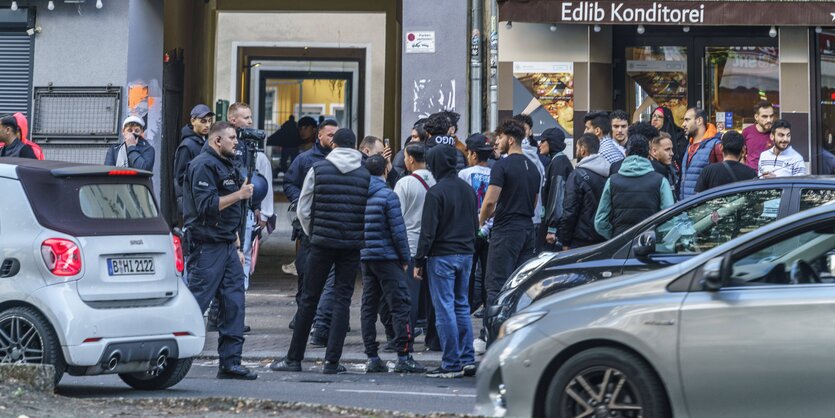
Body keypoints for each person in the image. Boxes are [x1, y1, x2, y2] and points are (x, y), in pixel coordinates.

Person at [270, 128, 370, 375]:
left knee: (309, 299)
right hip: (350, 245)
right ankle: (332, 362)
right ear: (355, 146)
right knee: (342, 300)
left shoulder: (318, 169)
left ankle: (294, 358)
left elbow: (303, 207)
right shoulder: (364, 172)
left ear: (334, 145)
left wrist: (312, 232)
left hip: (321, 242)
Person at [182, 121, 257, 380]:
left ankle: (231, 362)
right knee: (196, 304)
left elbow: (232, 214)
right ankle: (172, 359)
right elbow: (207, 206)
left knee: (234, 303)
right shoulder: (202, 165)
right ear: (217, 141)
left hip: (226, 245)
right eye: (232, 138)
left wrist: (236, 245)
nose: (236, 142)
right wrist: (239, 194)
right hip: (206, 247)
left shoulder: (227, 164)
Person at [414, 145, 478, 378]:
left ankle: (450, 361)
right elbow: (475, 224)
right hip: (466, 254)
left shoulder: (436, 192)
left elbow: (428, 232)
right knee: (462, 306)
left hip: (442, 255)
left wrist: (419, 259)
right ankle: (467, 358)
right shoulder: (468, 190)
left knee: (444, 308)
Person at [360, 154, 426, 374]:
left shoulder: (360, 195)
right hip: (388, 258)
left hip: (367, 256)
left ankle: (372, 356)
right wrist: (405, 258)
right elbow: (398, 231)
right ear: (386, 171)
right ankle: (404, 355)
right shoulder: (388, 196)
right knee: (400, 305)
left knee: (369, 306)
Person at [479, 119, 541, 343]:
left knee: (496, 285)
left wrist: (481, 221)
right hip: (527, 229)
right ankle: (516, 337)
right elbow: (534, 204)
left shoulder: (502, 166)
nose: (497, 142)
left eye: (500, 138)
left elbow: (489, 202)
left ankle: (492, 338)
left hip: (506, 231)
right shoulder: (533, 168)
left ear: (511, 139)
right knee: (519, 286)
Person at [282, 119, 338, 338]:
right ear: (320, 136)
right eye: (330, 135)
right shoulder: (304, 160)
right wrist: (301, 201)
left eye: (336, 135)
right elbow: (289, 183)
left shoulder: (343, 160)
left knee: (331, 275)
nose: (333, 139)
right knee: (306, 271)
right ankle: (303, 314)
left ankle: (326, 316)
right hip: (307, 227)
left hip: (332, 225)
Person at [393, 143, 436, 350]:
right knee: (433, 298)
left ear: (410, 158)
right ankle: (434, 340)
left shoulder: (404, 183)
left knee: (408, 297)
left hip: (410, 246)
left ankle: (405, 341)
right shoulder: (436, 180)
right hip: (433, 247)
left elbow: (396, 217)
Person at [594, 135, 675, 239]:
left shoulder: (612, 181)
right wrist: (658, 238)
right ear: (648, 155)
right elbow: (670, 219)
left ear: (626, 153)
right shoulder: (661, 181)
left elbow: (600, 222)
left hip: (620, 244)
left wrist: (614, 237)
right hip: (649, 243)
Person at [458, 134, 493, 318]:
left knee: (468, 273)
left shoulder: (464, 174)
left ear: (472, 154)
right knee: (488, 273)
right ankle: (489, 309)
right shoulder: (495, 173)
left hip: (469, 230)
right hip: (490, 230)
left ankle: (465, 308)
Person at [553, 133, 609, 249]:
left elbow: (570, 211)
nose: (577, 151)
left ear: (583, 149)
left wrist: (565, 241)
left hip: (580, 240)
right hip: (603, 238)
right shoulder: (608, 172)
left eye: (577, 148)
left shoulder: (577, 176)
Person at [174, 104, 214, 218]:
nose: (207, 125)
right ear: (193, 121)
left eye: (209, 121)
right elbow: (180, 177)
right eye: (203, 121)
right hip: (192, 204)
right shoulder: (187, 146)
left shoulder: (205, 141)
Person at [539, 128, 573, 252]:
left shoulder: (559, 163)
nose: (540, 144)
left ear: (551, 142)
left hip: (555, 230)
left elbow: (556, 196)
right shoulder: (559, 161)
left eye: (543, 141)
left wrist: (552, 229)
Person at [680, 108, 723, 201]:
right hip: (685, 207)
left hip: (703, 209)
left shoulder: (715, 145)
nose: (683, 124)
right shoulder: (689, 146)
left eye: (687, 120)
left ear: (699, 121)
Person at [650, 106, 687, 171]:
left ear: (666, 120)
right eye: (653, 116)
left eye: (659, 117)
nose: (655, 119)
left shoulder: (678, 137)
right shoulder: (647, 136)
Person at [743, 101, 775, 170]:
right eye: (765, 116)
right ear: (756, 117)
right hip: (751, 176)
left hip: (771, 176)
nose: (769, 120)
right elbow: (740, 154)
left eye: (771, 116)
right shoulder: (747, 132)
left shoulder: (777, 133)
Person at [649, 133, 680, 201]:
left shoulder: (672, 169)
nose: (672, 153)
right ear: (654, 151)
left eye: (672, 149)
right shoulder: (650, 174)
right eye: (667, 149)